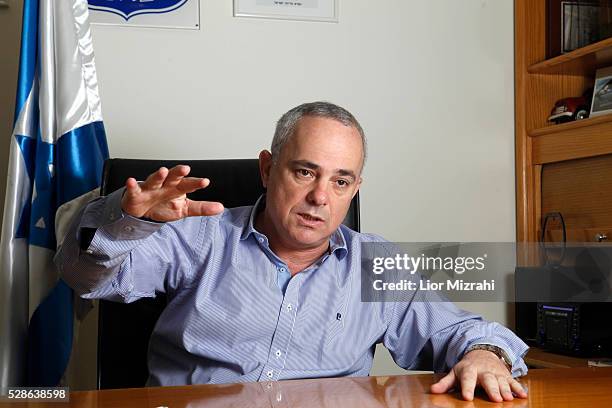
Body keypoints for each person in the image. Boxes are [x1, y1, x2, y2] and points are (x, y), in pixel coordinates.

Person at [56, 101, 529, 402]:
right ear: (267, 169)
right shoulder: (197, 235)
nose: (320, 197)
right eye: (304, 172)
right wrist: (126, 217)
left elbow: (461, 332)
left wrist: (487, 354)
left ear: (354, 188)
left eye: (340, 181)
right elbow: (83, 275)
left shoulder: (376, 265)